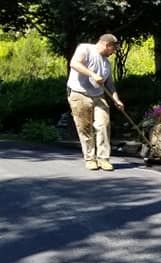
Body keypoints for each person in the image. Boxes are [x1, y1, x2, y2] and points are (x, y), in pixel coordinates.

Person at [66, 34, 125, 171]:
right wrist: (92, 74)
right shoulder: (85, 49)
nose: (113, 52)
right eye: (113, 49)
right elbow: (74, 63)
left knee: (103, 124)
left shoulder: (106, 64)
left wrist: (116, 99)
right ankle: (90, 159)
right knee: (85, 127)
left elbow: (110, 84)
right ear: (107, 45)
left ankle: (103, 159)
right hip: (79, 93)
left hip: (98, 96)